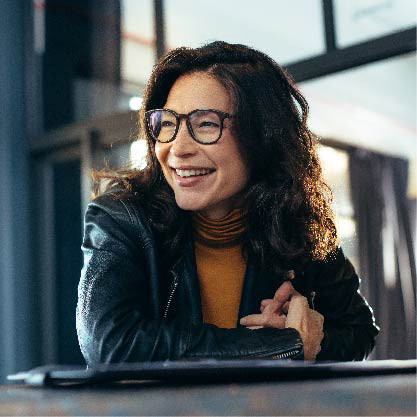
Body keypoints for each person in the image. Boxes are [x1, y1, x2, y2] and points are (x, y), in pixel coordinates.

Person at [76, 41, 379, 364]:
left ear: (262, 137)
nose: (177, 149)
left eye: (205, 123)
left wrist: (312, 338)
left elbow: (360, 331)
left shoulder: (296, 221)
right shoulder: (122, 217)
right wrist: (281, 345)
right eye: (167, 123)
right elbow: (109, 344)